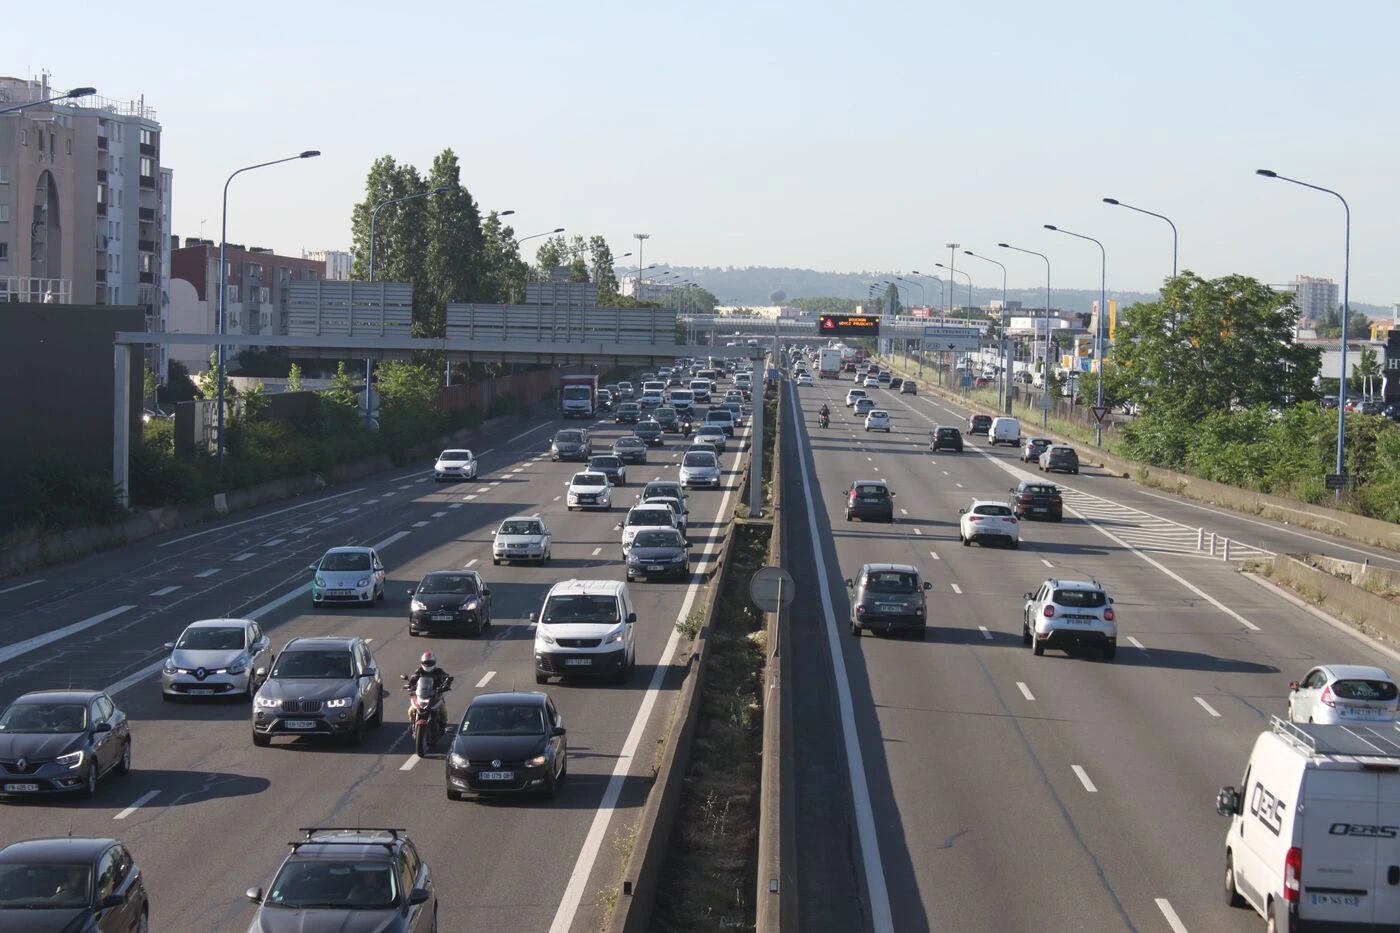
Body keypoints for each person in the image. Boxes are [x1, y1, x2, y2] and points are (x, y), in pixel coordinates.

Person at [406, 652, 451, 729]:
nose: (427, 664)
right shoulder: (419, 671)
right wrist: (410, 685)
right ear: (422, 662)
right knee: (411, 710)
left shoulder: (439, 671)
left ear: (434, 662)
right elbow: (414, 678)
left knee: (443, 709)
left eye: (430, 662)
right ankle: (413, 723)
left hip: (435, 695)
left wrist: (446, 684)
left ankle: (443, 726)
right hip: (422, 694)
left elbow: (446, 677)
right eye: (426, 662)